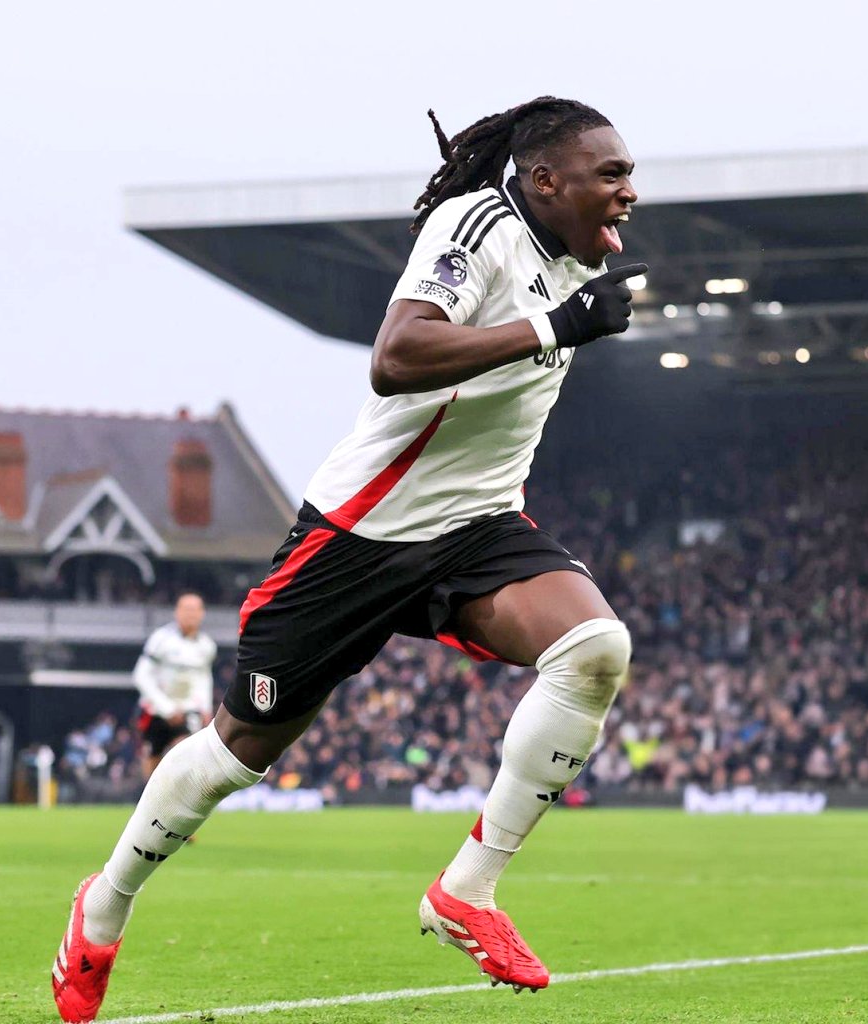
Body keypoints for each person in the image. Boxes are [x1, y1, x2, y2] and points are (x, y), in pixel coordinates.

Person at [52, 95, 645, 1022]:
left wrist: (567, 311)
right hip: (359, 536)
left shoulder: (569, 258)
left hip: (478, 526)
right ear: (542, 180)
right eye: (609, 174)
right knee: (234, 755)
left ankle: (466, 892)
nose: (627, 193)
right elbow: (397, 356)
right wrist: (555, 327)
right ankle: (104, 905)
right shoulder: (474, 224)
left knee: (596, 648)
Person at [132, 593, 217, 780]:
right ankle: (152, 803)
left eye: (195, 610)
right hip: (155, 709)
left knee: (186, 753)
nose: (190, 615)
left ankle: (178, 801)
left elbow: (204, 679)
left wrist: (205, 708)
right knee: (153, 757)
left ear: (202, 614)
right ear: (176, 612)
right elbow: (141, 675)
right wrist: (167, 708)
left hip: (188, 710)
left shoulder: (206, 646)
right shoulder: (161, 639)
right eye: (186, 609)